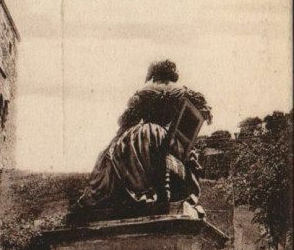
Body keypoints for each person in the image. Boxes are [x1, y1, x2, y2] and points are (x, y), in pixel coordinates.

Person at [77, 60, 212, 211]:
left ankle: (123, 196)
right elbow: (203, 112)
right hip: (176, 144)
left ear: (154, 73)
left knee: (109, 154)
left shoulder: (145, 91)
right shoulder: (184, 92)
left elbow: (126, 120)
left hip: (151, 137)